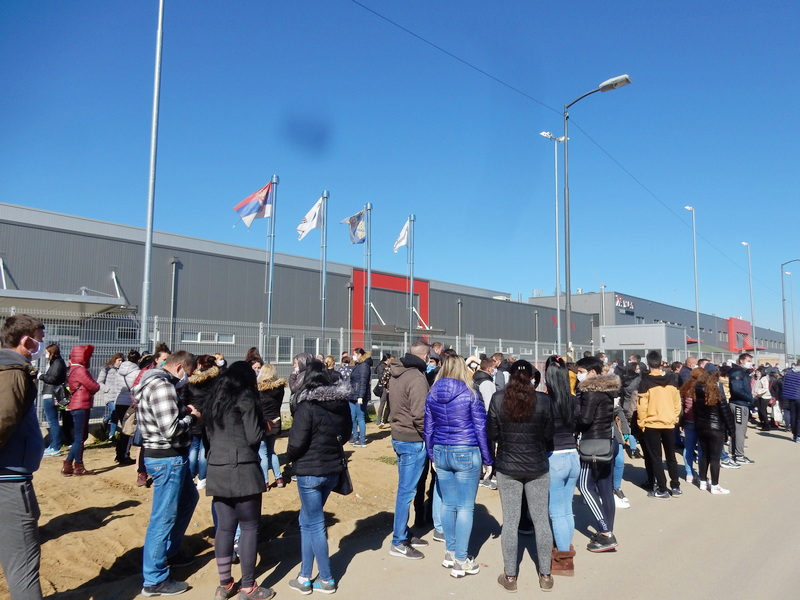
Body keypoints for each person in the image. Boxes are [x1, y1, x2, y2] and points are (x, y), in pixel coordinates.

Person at [134, 350, 201, 597]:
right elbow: (170, 429)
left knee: (188, 499)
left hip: (172, 458)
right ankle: (154, 579)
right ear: (181, 367)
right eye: (189, 373)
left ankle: (169, 552)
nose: (188, 379)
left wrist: (183, 410)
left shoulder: (157, 384)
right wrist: (191, 418)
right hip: (166, 458)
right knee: (163, 517)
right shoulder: (162, 387)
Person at [205, 361, 273, 600]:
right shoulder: (245, 397)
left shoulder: (214, 399)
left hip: (217, 467)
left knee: (224, 528)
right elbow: (254, 437)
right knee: (249, 527)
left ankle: (224, 584)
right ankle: (248, 586)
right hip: (242, 467)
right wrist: (265, 427)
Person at [487, 359, 554, 592]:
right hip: (537, 465)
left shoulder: (498, 399)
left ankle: (510, 576)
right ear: (533, 377)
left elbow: (492, 433)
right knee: (541, 520)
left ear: (511, 377)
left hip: (508, 466)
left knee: (511, 521)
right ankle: (545, 575)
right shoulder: (544, 400)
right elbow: (548, 435)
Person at [285, 362, 351, 595]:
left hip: (310, 472)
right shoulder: (341, 404)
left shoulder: (307, 406)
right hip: (332, 469)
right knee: (307, 522)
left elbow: (296, 443)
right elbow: (347, 434)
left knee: (314, 524)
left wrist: (287, 459)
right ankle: (304, 576)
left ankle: (326, 578)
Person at [425, 355, 493, 578]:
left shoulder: (432, 393)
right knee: (465, 507)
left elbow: (429, 427)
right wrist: (488, 459)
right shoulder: (470, 393)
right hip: (466, 449)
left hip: (441, 450)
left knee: (448, 504)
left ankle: (450, 552)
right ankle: (461, 560)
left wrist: (431, 454)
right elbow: (481, 427)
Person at [0, 314, 46, 599]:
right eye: (39, 340)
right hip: (8, 478)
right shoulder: (14, 371)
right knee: (23, 562)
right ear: (26, 340)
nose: (41, 345)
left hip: (9, 474)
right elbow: (3, 419)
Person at [388, 341, 431, 560]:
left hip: (399, 435)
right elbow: (420, 413)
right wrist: (428, 436)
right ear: (424, 356)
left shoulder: (397, 372)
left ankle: (403, 533)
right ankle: (398, 541)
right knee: (406, 491)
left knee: (406, 489)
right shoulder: (416, 377)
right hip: (413, 438)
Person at [575, 355, 619, 552]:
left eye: (581, 372)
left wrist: (573, 413)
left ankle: (606, 533)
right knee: (605, 488)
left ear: (592, 372)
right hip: (608, 442)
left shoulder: (590, 391)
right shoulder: (608, 389)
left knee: (584, 485)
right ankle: (606, 530)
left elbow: (584, 420)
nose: (578, 376)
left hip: (592, 444)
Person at [543, 356, 580, 576]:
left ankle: (564, 558)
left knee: (556, 511)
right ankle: (565, 548)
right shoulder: (573, 400)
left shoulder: (547, 401)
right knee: (567, 510)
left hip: (554, 456)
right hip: (572, 455)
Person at [637, 350, 682, 498]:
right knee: (671, 456)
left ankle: (662, 488)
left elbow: (642, 406)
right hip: (669, 423)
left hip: (652, 424)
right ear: (661, 362)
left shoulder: (645, 382)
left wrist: (641, 423)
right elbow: (677, 403)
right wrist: (674, 418)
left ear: (648, 363)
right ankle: (675, 486)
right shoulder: (672, 379)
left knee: (656, 457)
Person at [693, 368, 735, 494]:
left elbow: (695, 410)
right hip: (716, 428)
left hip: (701, 427)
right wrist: (731, 430)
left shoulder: (697, 390)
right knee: (715, 458)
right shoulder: (717, 392)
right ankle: (715, 485)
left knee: (704, 455)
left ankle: (703, 482)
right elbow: (725, 412)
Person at [183, 355, 221, 490]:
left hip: (194, 416)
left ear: (199, 365)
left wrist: (190, 408)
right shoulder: (217, 380)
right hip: (210, 417)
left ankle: (190, 475)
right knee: (205, 449)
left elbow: (184, 398)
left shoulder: (191, 381)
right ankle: (202, 478)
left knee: (193, 448)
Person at [62, 345, 101, 476]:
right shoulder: (80, 370)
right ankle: (78, 466)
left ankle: (68, 465)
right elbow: (94, 386)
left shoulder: (73, 369)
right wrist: (96, 385)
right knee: (80, 438)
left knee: (81, 437)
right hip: (81, 406)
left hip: (76, 405)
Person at [256, 364, 287, 489]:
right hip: (275, 421)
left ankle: (265, 481)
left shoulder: (258, 390)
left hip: (263, 423)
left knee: (262, 454)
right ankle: (279, 478)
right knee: (272, 452)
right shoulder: (279, 389)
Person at [40, 342, 67, 458]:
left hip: (51, 394)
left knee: (53, 421)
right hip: (49, 393)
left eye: (47, 352)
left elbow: (53, 378)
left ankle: (55, 447)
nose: (45, 354)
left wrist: (40, 376)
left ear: (52, 352)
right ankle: (52, 446)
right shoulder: (54, 362)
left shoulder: (58, 362)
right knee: (51, 421)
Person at [728, 353, 756, 463]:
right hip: (739, 404)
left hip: (741, 403)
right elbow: (737, 390)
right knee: (739, 430)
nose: (750, 363)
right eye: (748, 361)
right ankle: (739, 455)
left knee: (738, 430)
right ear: (741, 361)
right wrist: (750, 398)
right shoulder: (737, 373)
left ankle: (733, 453)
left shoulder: (742, 373)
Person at [679, 367, 705, 484]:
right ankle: (701, 473)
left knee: (688, 448)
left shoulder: (686, 388)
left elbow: (682, 405)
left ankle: (689, 473)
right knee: (701, 449)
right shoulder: (702, 389)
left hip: (688, 421)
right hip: (701, 422)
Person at [349, 348, 373, 447]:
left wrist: (361, 396)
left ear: (359, 355)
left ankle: (362, 440)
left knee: (360, 417)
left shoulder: (364, 366)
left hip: (359, 396)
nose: (353, 356)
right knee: (352, 417)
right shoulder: (358, 365)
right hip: (352, 395)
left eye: (354, 354)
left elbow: (363, 382)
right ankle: (355, 436)